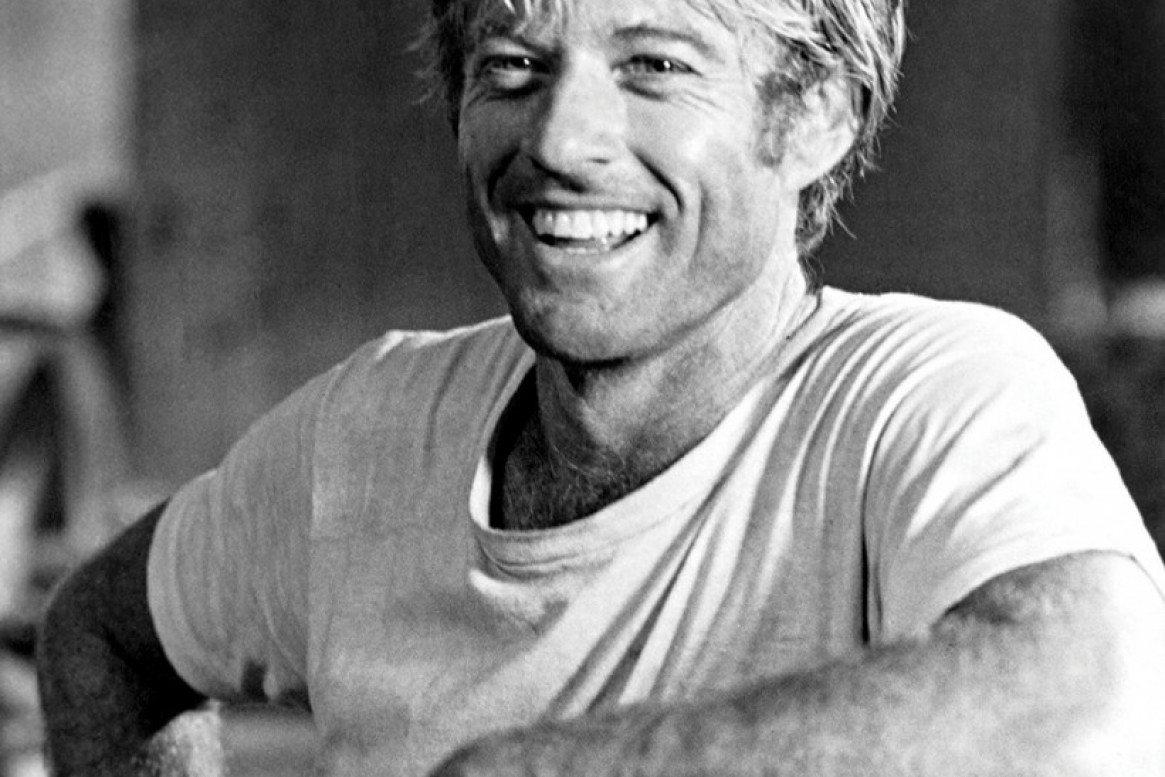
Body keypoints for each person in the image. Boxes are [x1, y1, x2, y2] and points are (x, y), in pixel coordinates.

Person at [36, 0, 1165, 774]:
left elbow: (1093, 706)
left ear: (814, 115)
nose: (561, 140)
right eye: (511, 65)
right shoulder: (360, 437)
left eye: (655, 66)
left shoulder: (924, 395)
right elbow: (101, 636)